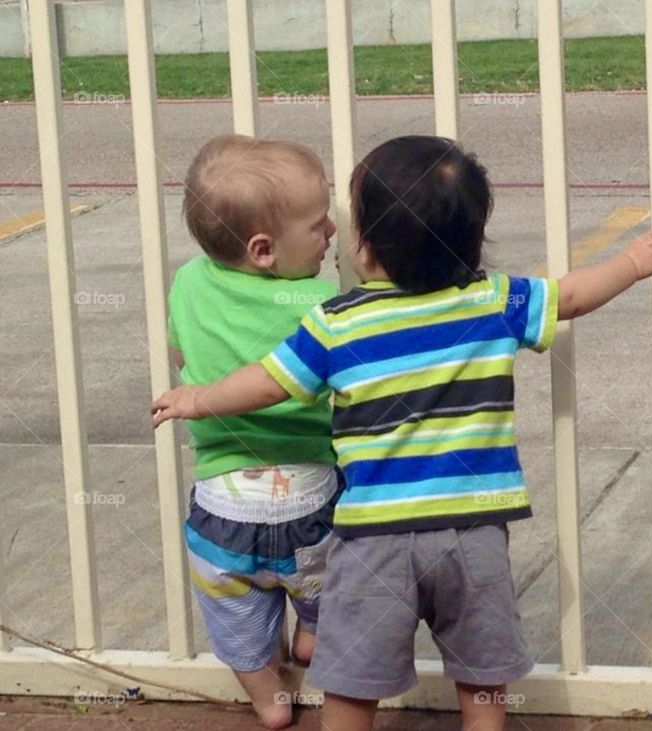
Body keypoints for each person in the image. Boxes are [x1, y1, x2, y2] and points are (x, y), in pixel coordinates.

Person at [153, 135, 652, 731]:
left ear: (368, 247)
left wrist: (199, 397)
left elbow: (267, 383)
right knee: (481, 663)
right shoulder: (493, 299)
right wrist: (635, 263)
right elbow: (571, 298)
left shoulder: (337, 323)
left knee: (353, 674)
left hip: (373, 534)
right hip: (475, 528)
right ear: (470, 243)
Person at [168, 134, 342, 728]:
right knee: (330, 583)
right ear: (264, 250)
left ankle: (269, 698)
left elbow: (179, 354)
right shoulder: (321, 302)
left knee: (235, 615)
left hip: (221, 506)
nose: (332, 233)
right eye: (319, 225)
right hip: (312, 502)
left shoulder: (188, 282)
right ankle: (314, 634)